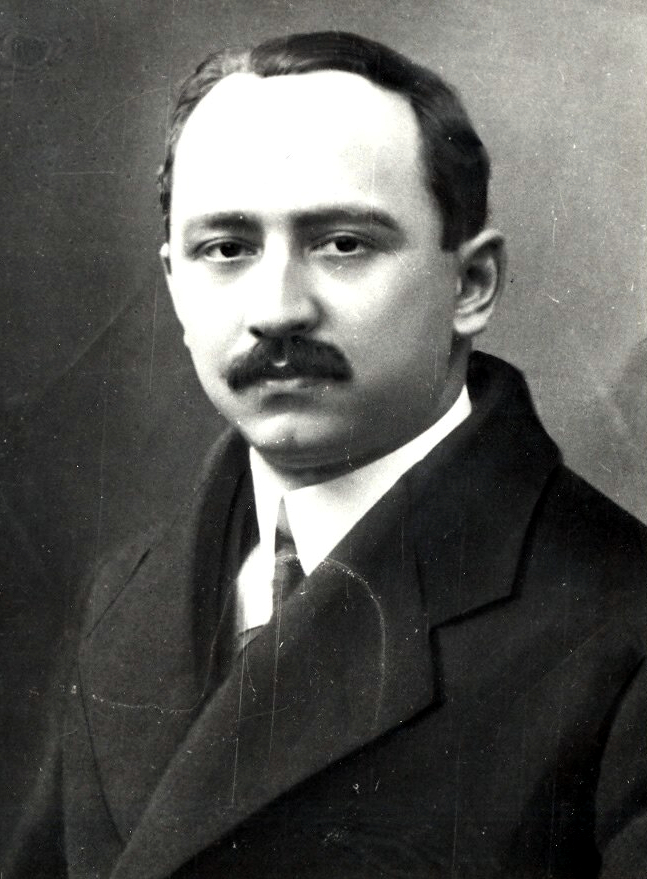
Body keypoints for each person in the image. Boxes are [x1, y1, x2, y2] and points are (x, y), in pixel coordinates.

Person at [6, 30, 646, 879]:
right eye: (226, 249)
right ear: (174, 286)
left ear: (470, 284)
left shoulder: (619, 624)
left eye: (342, 243)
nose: (277, 310)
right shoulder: (125, 594)